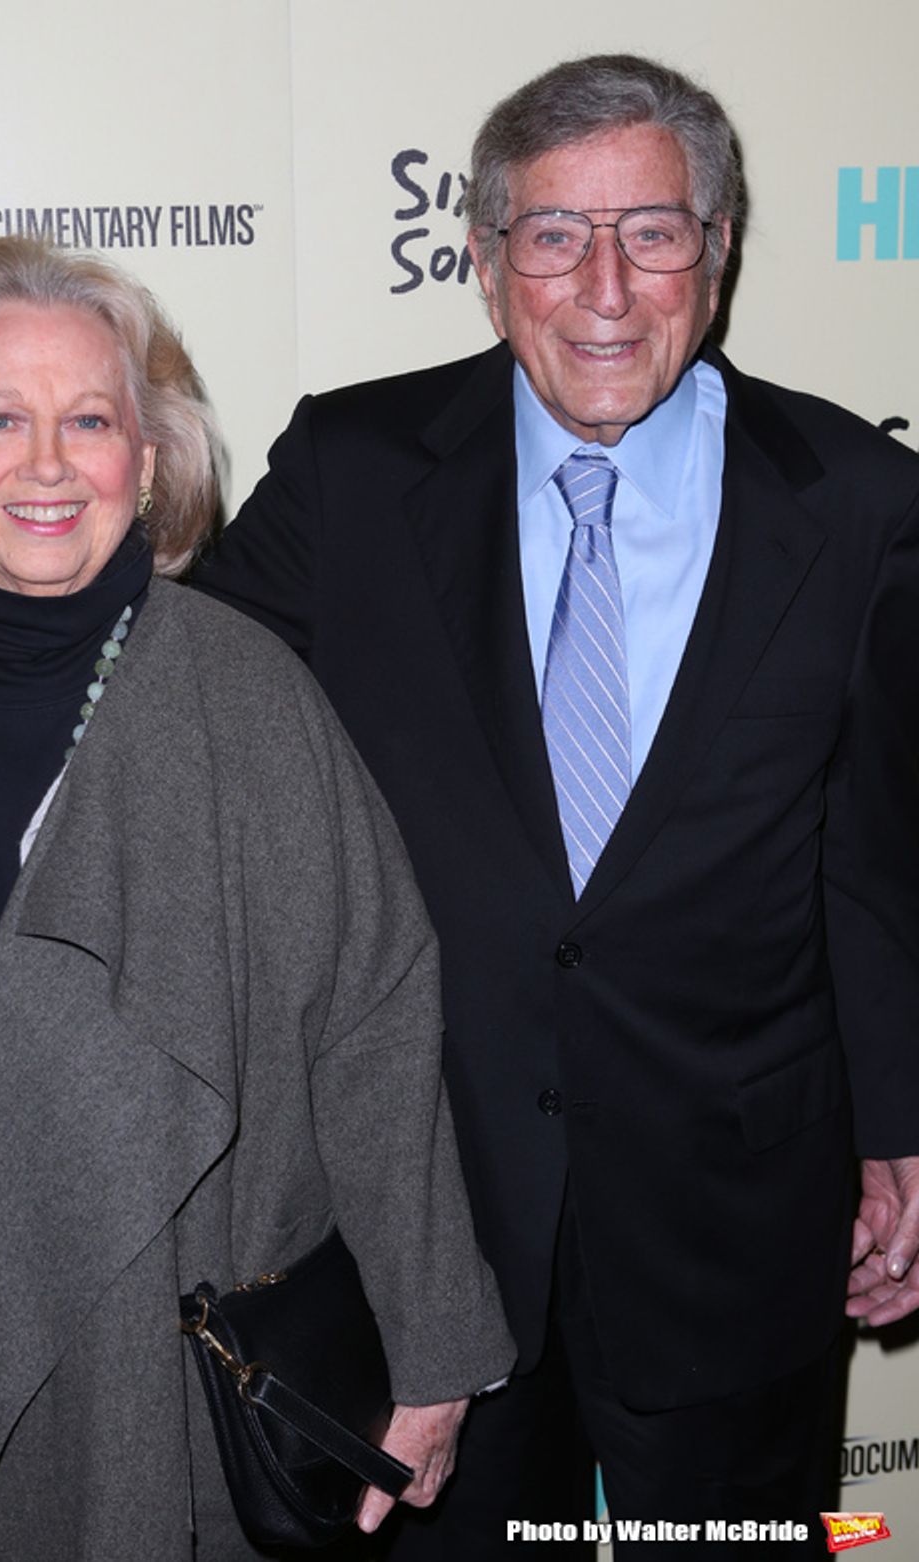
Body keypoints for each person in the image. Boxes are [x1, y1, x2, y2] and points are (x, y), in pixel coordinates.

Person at [189, 54, 919, 1558]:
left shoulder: (854, 495)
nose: (604, 286)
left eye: (651, 232)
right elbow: (169, 693)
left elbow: (873, 852)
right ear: (484, 260)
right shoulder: (357, 468)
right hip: (422, 1236)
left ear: (714, 256)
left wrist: (905, 1125)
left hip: (737, 1227)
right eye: (554, 235)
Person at [0, 235, 514, 1561]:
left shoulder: (251, 698)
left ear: (147, 462)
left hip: (137, 1370)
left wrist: (433, 1350)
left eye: (90, 419)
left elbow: (375, 1028)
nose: (46, 462)